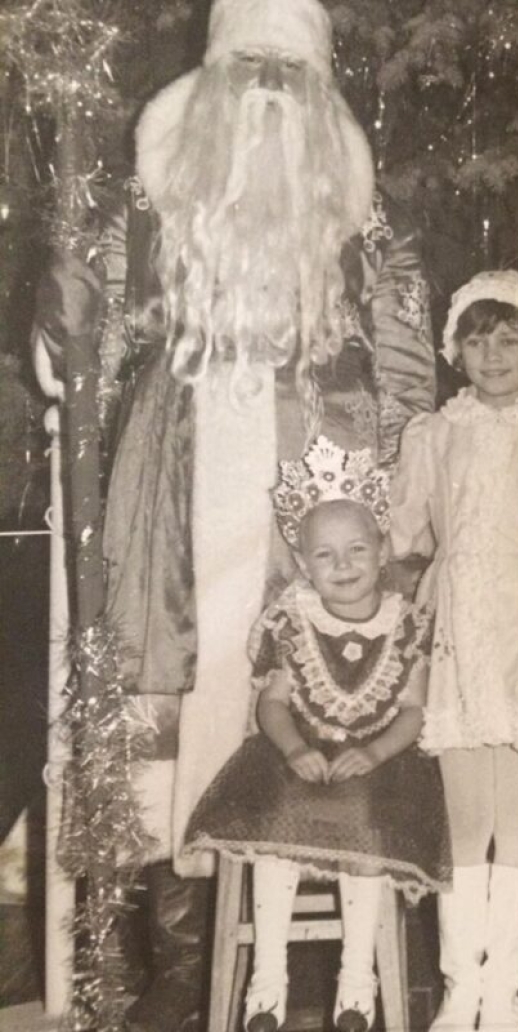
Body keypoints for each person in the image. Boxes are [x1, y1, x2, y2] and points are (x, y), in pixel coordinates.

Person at [30, 1, 436, 1029]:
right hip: (176, 477)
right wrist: (62, 317)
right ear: (209, 85)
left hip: (318, 475)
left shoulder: (359, 218)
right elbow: (84, 331)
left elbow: (403, 358)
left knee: (309, 676)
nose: (264, 97)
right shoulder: (152, 202)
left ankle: (312, 947)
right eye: (245, 71)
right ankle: (180, 950)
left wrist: (402, 487)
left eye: (284, 76)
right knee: (178, 690)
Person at [184, 438, 450, 1032]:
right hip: (296, 754)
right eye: (325, 555)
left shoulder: (407, 624)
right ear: (304, 565)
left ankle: (357, 981)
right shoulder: (292, 619)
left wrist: (376, 750)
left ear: (383, 551)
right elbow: (273, 703)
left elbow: (413, 710)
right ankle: (266, 984)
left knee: (368, 819)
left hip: (377, 761)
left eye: (357, 549)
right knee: (276, 822)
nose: (344, 565)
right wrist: (295, 747)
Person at [391, 270, 518, 1032]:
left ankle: (503, 986)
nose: (493, 355)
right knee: (462, 815)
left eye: (508, 339)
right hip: (456, 634)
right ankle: (460, 986)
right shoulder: (434, 435)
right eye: (476, 342)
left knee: (515, 813)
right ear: (455, 351)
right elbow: (405, 534)